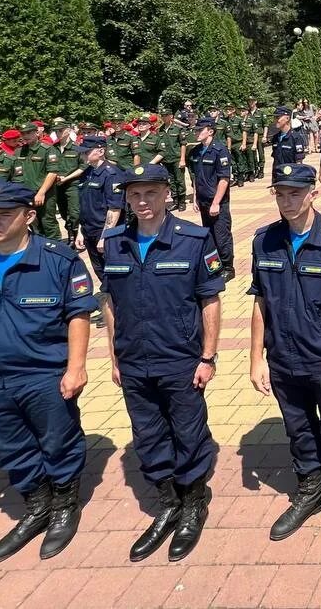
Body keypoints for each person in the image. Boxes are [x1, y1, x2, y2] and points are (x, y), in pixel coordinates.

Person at [0, 181, 97, 564]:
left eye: (4, 215)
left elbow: (77, 315)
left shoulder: (58, 260)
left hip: (42, 373)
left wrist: (76, 367)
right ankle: (36, 503)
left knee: (57, 440)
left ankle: (64, 505)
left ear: (28, 216)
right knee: (5, 444)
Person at [100, 164, 223, 562]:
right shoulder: (115, 242)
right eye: (134, 195)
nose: (142, 202)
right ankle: (167, 501)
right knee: (148, 434)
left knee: (188, 432)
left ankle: (192, 503)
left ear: (167, 194)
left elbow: (209, 300)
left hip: (180, 359)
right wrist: (114, 355)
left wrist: (208, 356)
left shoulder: (193, 239)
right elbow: (111, 302)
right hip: (134, 361)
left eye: (150, 193)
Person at [249, 162, 321, 544]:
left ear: (312, 192)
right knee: (297, 428)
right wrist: (255, 358)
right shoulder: (263, 240)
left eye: (295, 192)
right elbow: (260, 302)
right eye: (280, 193)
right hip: (282, 358)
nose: (287, 200)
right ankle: (310, 488)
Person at [187, 118, 235, 281]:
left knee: (221, 236)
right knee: (209, 237)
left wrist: (216, 203)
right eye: (195, 130)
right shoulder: (194, 152)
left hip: (218, 202)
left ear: (210, 131)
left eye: (200, 130)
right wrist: (195, 198)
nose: (196, 133)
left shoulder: (220, 150)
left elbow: (224, 179)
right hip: (203, 201)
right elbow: (195, 177)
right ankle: (215, 267)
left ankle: (228, 268)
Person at [72, 136, 124, 274]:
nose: (82, 155)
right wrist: (80, 232)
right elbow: (84, 205)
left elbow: (114, 208)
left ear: (101, 152)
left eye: (86, 152)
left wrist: (105, 236)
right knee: (99, 269)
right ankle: (108, 294)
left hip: (104, 231)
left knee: (113, 270)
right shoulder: (87, 173)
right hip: (89, 230)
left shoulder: (111, 174)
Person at [17, 124, 62, 238]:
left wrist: (41, 192)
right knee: (33, 223)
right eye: (23, 133)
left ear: (37, 133)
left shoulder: (47, 149)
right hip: (26, 194)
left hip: (45, 193)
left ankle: (56, 250)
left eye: (29, 133)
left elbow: (52, 172)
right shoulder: (19, 152)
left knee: (48, 223)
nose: (26, 136)